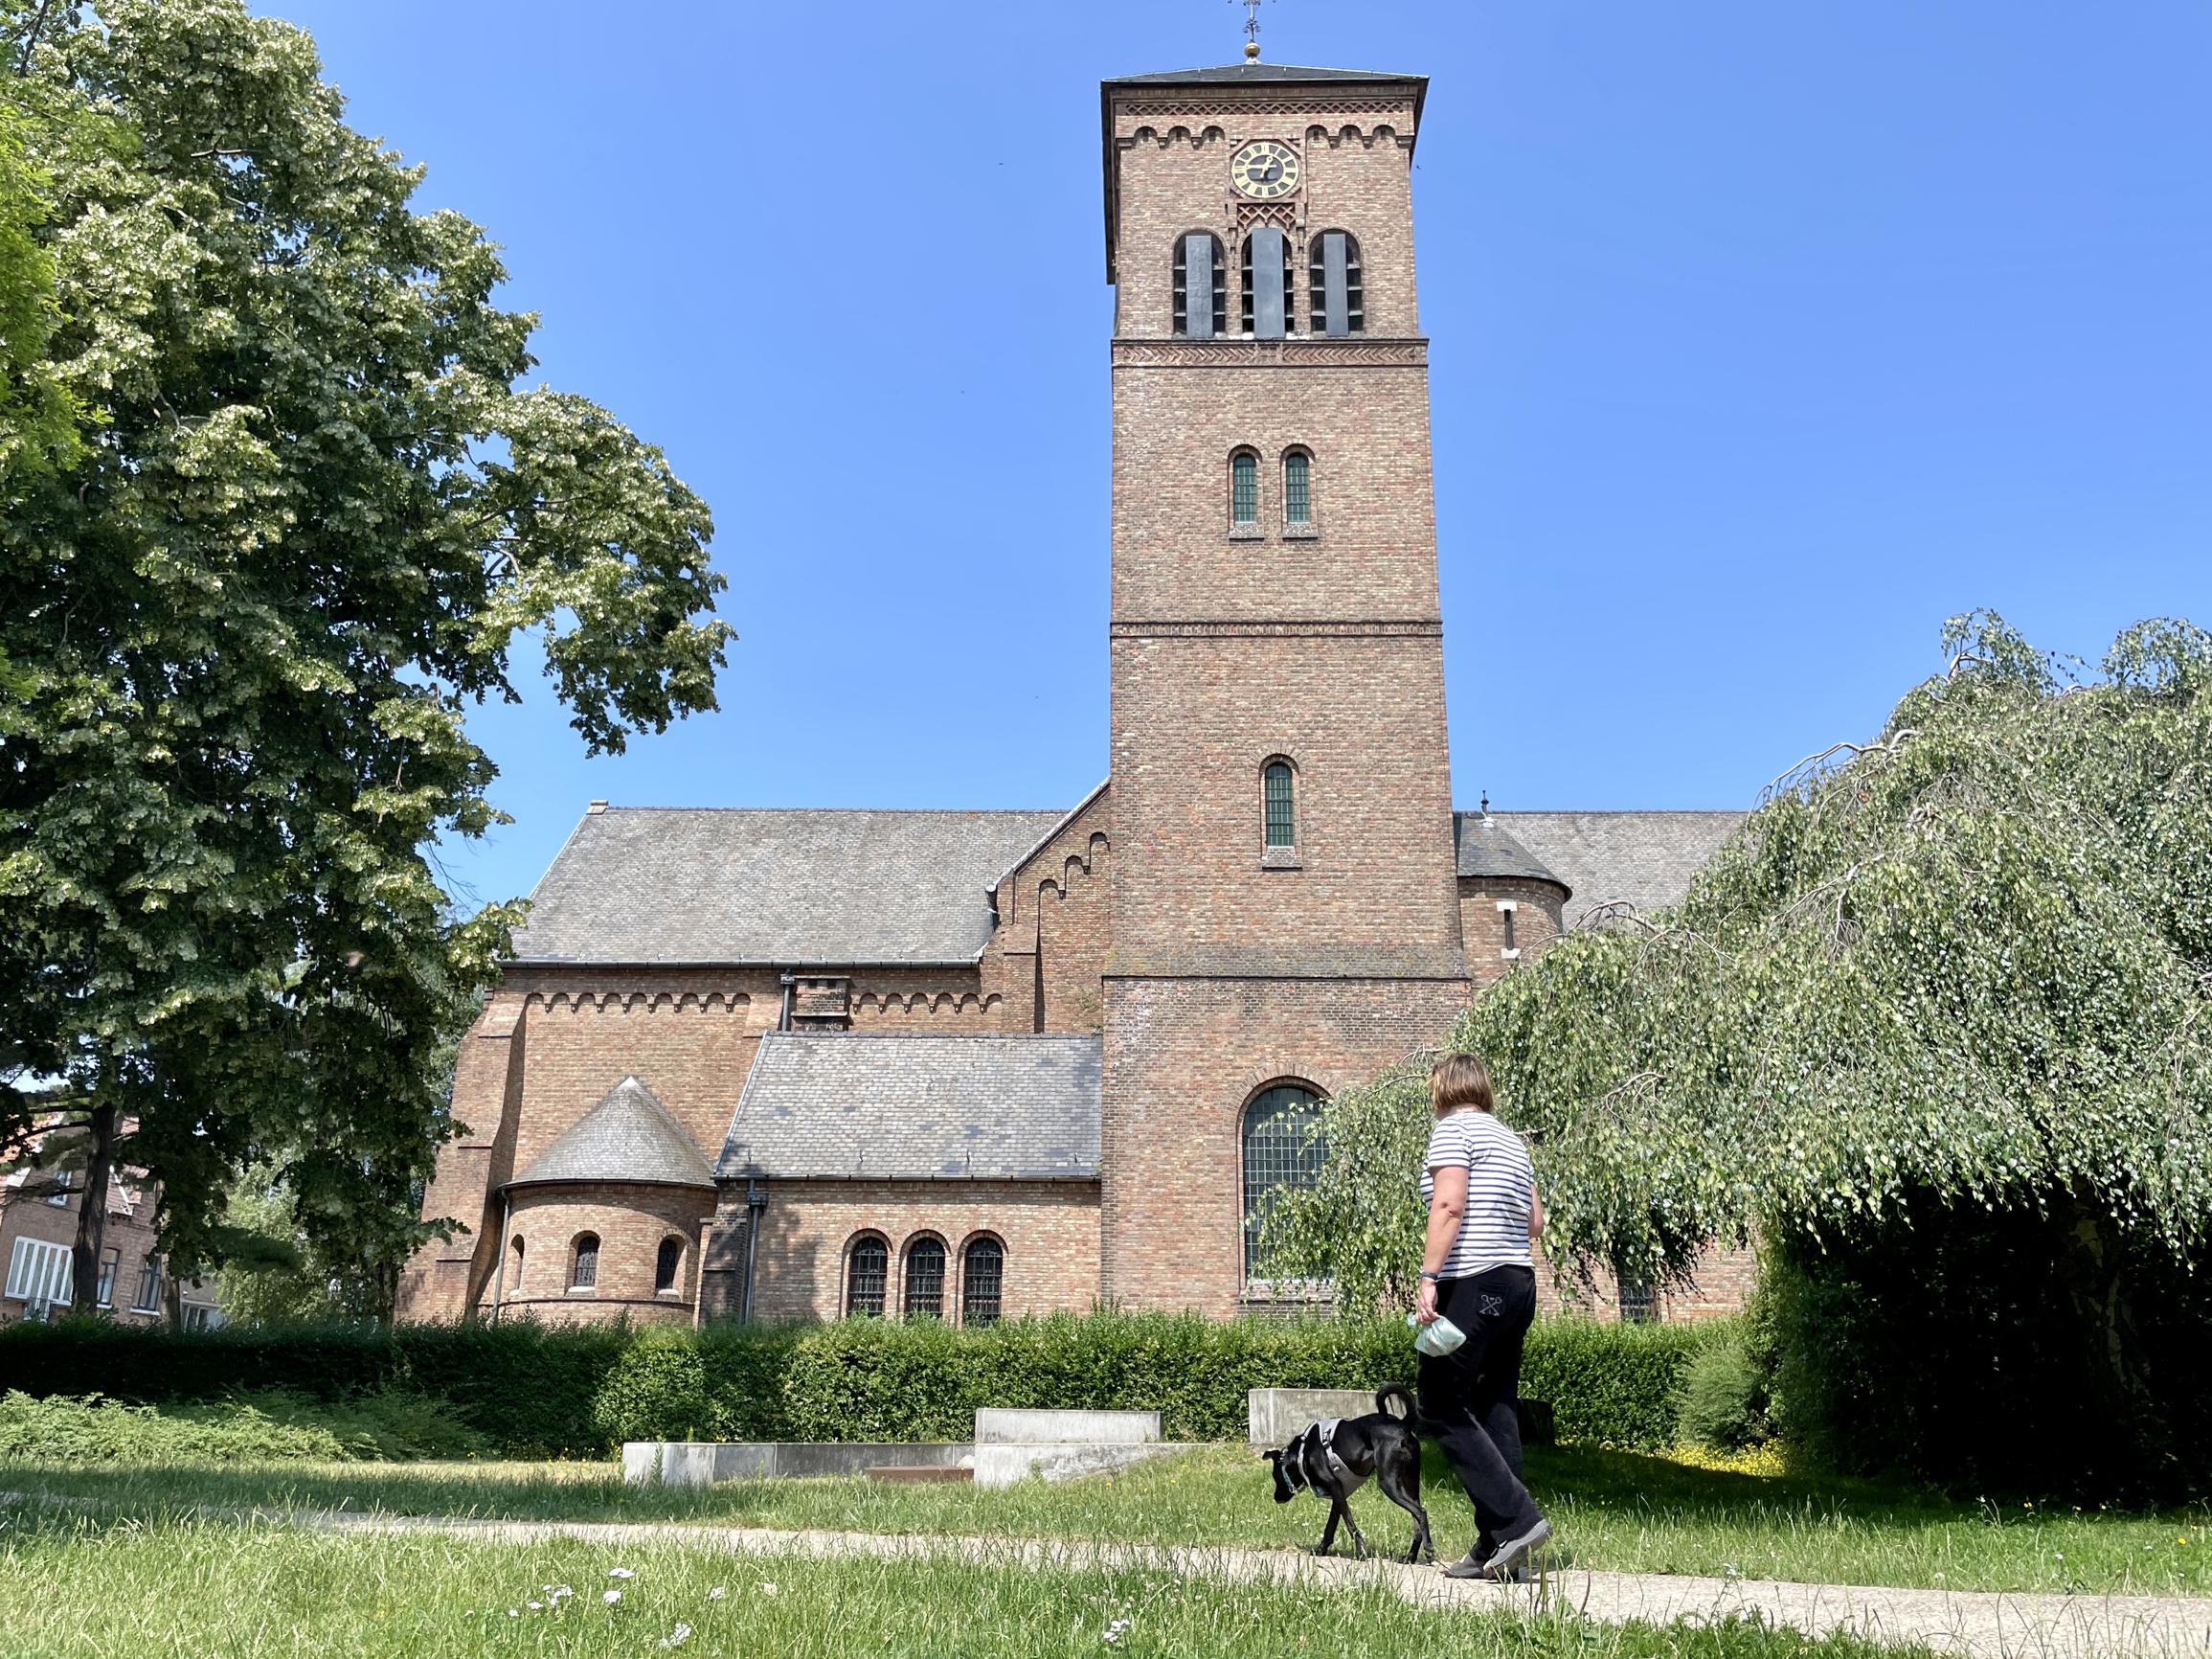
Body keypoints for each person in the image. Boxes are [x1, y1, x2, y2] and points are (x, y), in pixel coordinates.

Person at [1412, 1051, 1552, 1579]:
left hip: (1476, 1280)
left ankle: (1517, 1521)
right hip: (1519, 1282)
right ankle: (1499, 1549)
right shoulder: (1512, 1141)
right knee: (1495, 1404)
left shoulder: (1453, 1131)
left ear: (1441, 1089)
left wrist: (1429, 1276)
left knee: (1439, 1402)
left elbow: (1448, 1205)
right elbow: (1535, 1222)